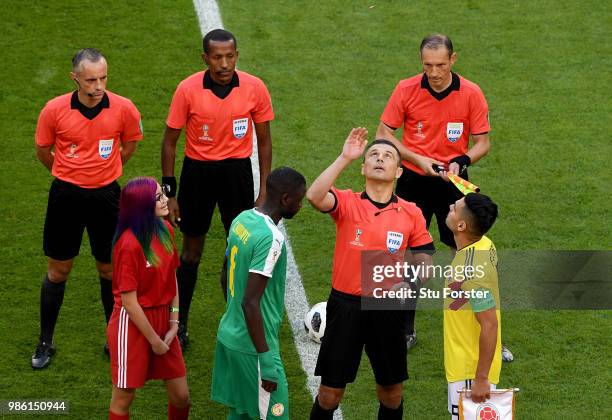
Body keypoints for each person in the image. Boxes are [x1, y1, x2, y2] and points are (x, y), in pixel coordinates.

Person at [307, 128, 435, 420]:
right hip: (345, 306)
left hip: (386, 308)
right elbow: (315, 196)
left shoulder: (411, 212)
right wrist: (344, 157)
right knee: (329, 394)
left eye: (388, 155)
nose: (380, 159)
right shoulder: (348, 202)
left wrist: (410, 282)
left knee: (391, 394)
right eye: (373, 155)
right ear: (363, 167)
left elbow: (425, 259)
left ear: (399, 172)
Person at [376, 33, 492, 350]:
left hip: (453, 182)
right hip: (413, 182)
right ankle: (405, 330)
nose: (435, 72)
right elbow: (383, 133)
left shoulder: (471, 93)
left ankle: (483, 330)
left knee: (466, 255)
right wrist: (418, 159)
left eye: (441, 64)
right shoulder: (406, 89)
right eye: (428, 65)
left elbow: (483, 143)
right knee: (410, 256)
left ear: (453, 60)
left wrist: (461, 160)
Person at [161, 28, 275, 349]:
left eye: (229, 56)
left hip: (237, 174)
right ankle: (179, 323)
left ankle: (237, 322)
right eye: (216, 57)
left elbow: (264, 141)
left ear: (237, 56)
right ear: (205, 58)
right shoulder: (187, 89)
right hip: (197, 174)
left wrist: (264, 187)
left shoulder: (254, 87)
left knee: (237, 250)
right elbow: (169, 142)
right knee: (191, 253)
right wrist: (170, 193)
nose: (224, 64)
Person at [32, 48, 143, 369]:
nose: (98, 86)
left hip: (107, 198)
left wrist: (105, 172)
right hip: (65, 197)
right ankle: (45, 342)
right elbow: (43, 151)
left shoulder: (123, 108)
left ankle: (115, 339)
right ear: (75, 78)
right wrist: (68, 174)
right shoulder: (54, 110)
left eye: (103, 78)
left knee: (109, 270)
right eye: (91, 79)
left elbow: (130, 144)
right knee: (58, 271)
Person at [211, 167, 306, 419]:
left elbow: (224, 273)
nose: (300, 206)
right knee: (275, 414)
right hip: (253, 347)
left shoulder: (242, 219)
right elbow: (250, 302)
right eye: (299, 200)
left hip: (230, 334)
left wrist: (233, 316)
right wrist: (266, 359)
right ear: (286, 199)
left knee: (241, 413)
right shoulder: (271, 238)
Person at [107, 177, 190, 420]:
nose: (166, 200)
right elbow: (130, 303)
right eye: (158, 198)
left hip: (163, 319)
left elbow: (172, 278)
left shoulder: (165, 230)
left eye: (162, 194)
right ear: (142, 205)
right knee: (124, 397)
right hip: (132, 326)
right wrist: (154, 341)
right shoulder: (128, 245)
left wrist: (174, 323)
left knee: (181, 396)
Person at [444, 193, 502, 419]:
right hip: (465, 363)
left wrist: (480, 379)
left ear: (461, 225)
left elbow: (489, 325)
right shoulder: (484, 243)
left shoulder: (472, 271)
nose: (450, 206)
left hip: (469, 368)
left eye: (454, 208)